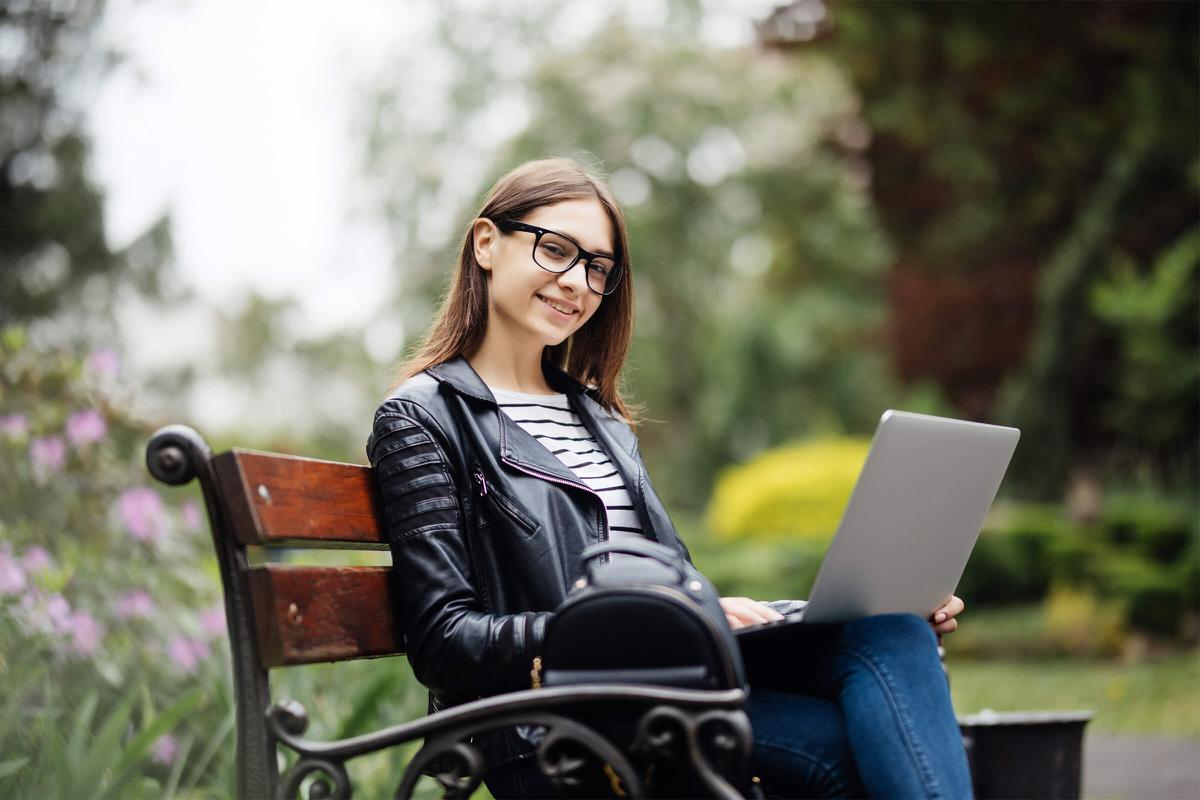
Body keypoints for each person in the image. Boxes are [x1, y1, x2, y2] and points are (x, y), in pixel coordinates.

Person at [367, 157, 972, 799]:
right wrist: (636, 619)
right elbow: (443, 641)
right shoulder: (424, 417)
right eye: (556, 250)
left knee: (892, 630)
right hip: (562, 722)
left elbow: (665, 577)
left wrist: (736, 610)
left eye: (598, 268)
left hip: (666, 682)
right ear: (487, 243)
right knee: (849, 750)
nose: (577, 282)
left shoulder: (598, 418)